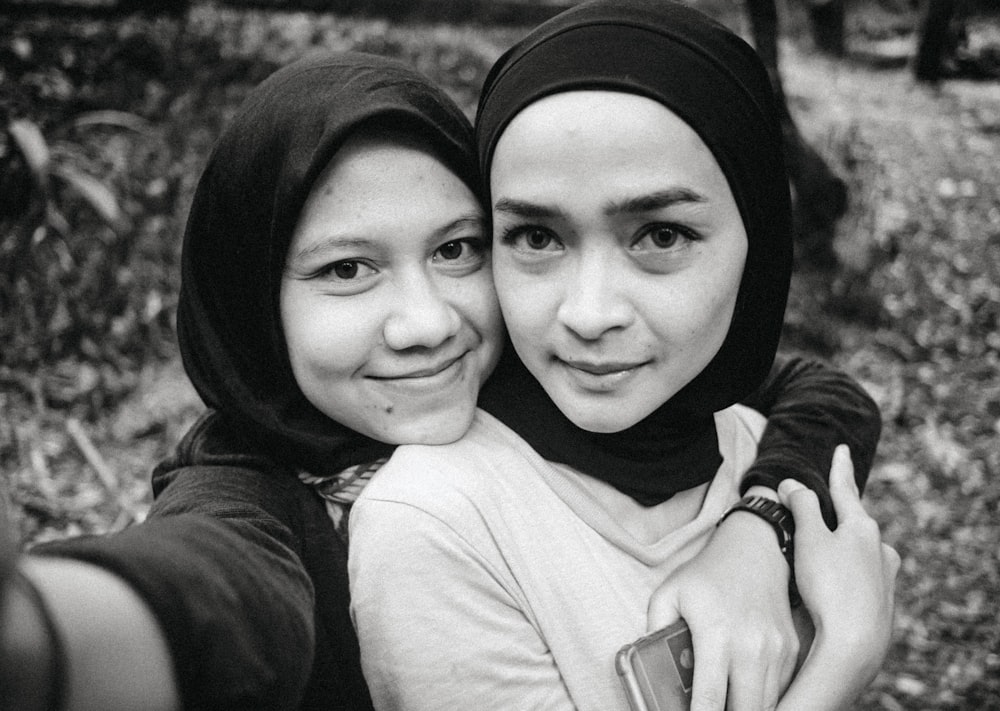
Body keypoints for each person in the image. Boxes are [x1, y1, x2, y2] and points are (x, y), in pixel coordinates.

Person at [1, 45, 881, 711]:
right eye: (346, 269)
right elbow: (218, 590)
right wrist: (46, 627)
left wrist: (757, 527)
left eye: (457, 250)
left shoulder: (555, 372)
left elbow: (815, 390)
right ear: (252, 301)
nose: (426, 324)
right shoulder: (252, 498)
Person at [347, 3, 899, 710]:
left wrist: (764, 526)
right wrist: (839, 664)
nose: (589, 313)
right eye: (538, 237)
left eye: (661, 236)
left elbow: (831, 395)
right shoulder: (438, 522)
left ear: (757, 246)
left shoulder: (751, 440)